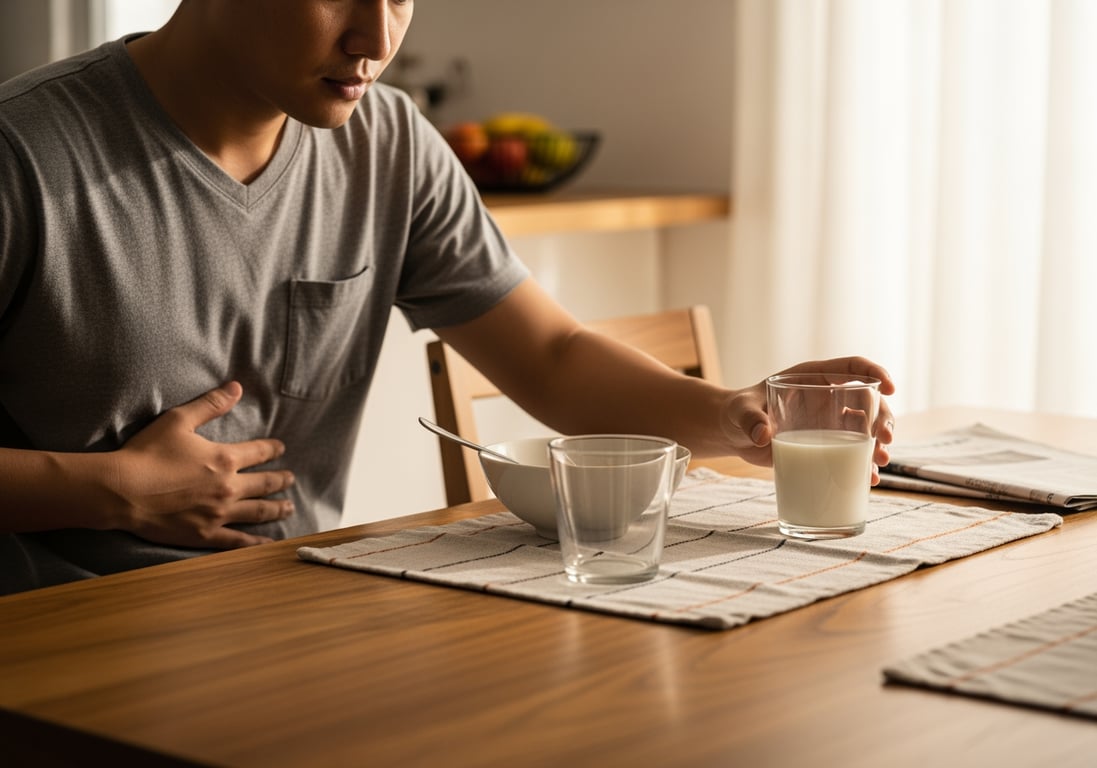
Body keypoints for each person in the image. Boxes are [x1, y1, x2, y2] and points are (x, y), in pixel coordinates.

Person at [0, 0, 895, 594]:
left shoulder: (387, 143)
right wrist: (107, 492)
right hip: (54, 635)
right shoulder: (23, 154)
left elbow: (550, 359)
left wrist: (732, 413)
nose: (375, 38)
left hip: (288, 609)